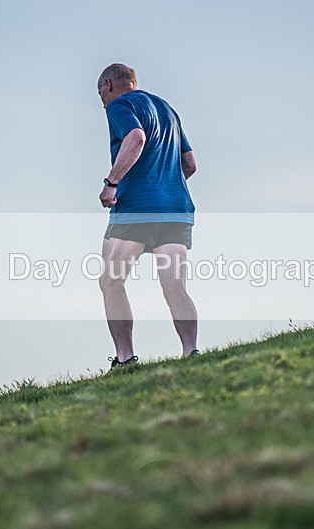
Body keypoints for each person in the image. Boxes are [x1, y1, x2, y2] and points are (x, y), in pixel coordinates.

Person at [96, 63, 200, 369]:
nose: (100, 98)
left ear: (110, 85)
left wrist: (112, 182)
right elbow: (190, 164)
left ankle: (125, 360)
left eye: (100, 91)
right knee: (175, 286)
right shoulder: (168, 110)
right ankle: (191, 353)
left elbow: (136, 137)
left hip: (137, 207)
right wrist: (163, 185)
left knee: (111, 280)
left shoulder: (119, 105)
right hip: (177, 209)